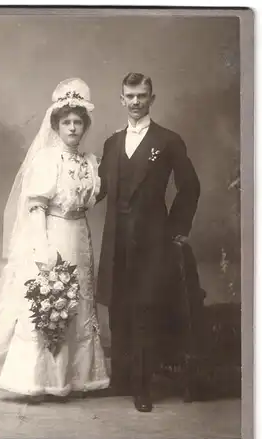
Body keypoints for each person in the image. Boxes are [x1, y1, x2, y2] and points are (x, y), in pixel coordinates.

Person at [0, 78, 110, 400]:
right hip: (54, 233)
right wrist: (43, 248)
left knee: (79, 304)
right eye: (67, 123)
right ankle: (43, 380)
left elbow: (92, 197)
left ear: (85, 126)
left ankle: (77, 378)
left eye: (78, 122)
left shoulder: (91, 162)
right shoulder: (47, 160)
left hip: (80, 237)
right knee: (53, 299)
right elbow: (37, 207)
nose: (73, 128)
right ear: (56, 125)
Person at [96, 72, 200, 412]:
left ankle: (143, 387)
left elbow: (190, 186)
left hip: (151, 240)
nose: (136, 101)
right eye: (130, 95)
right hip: (116, 240)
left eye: (142, 95)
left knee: (144, 310)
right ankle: (121, 381)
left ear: (152, 98)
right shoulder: (112, 143)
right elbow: (99, 189)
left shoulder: (168, 140)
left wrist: (175, 228)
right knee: (118, 307)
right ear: (121, 99)